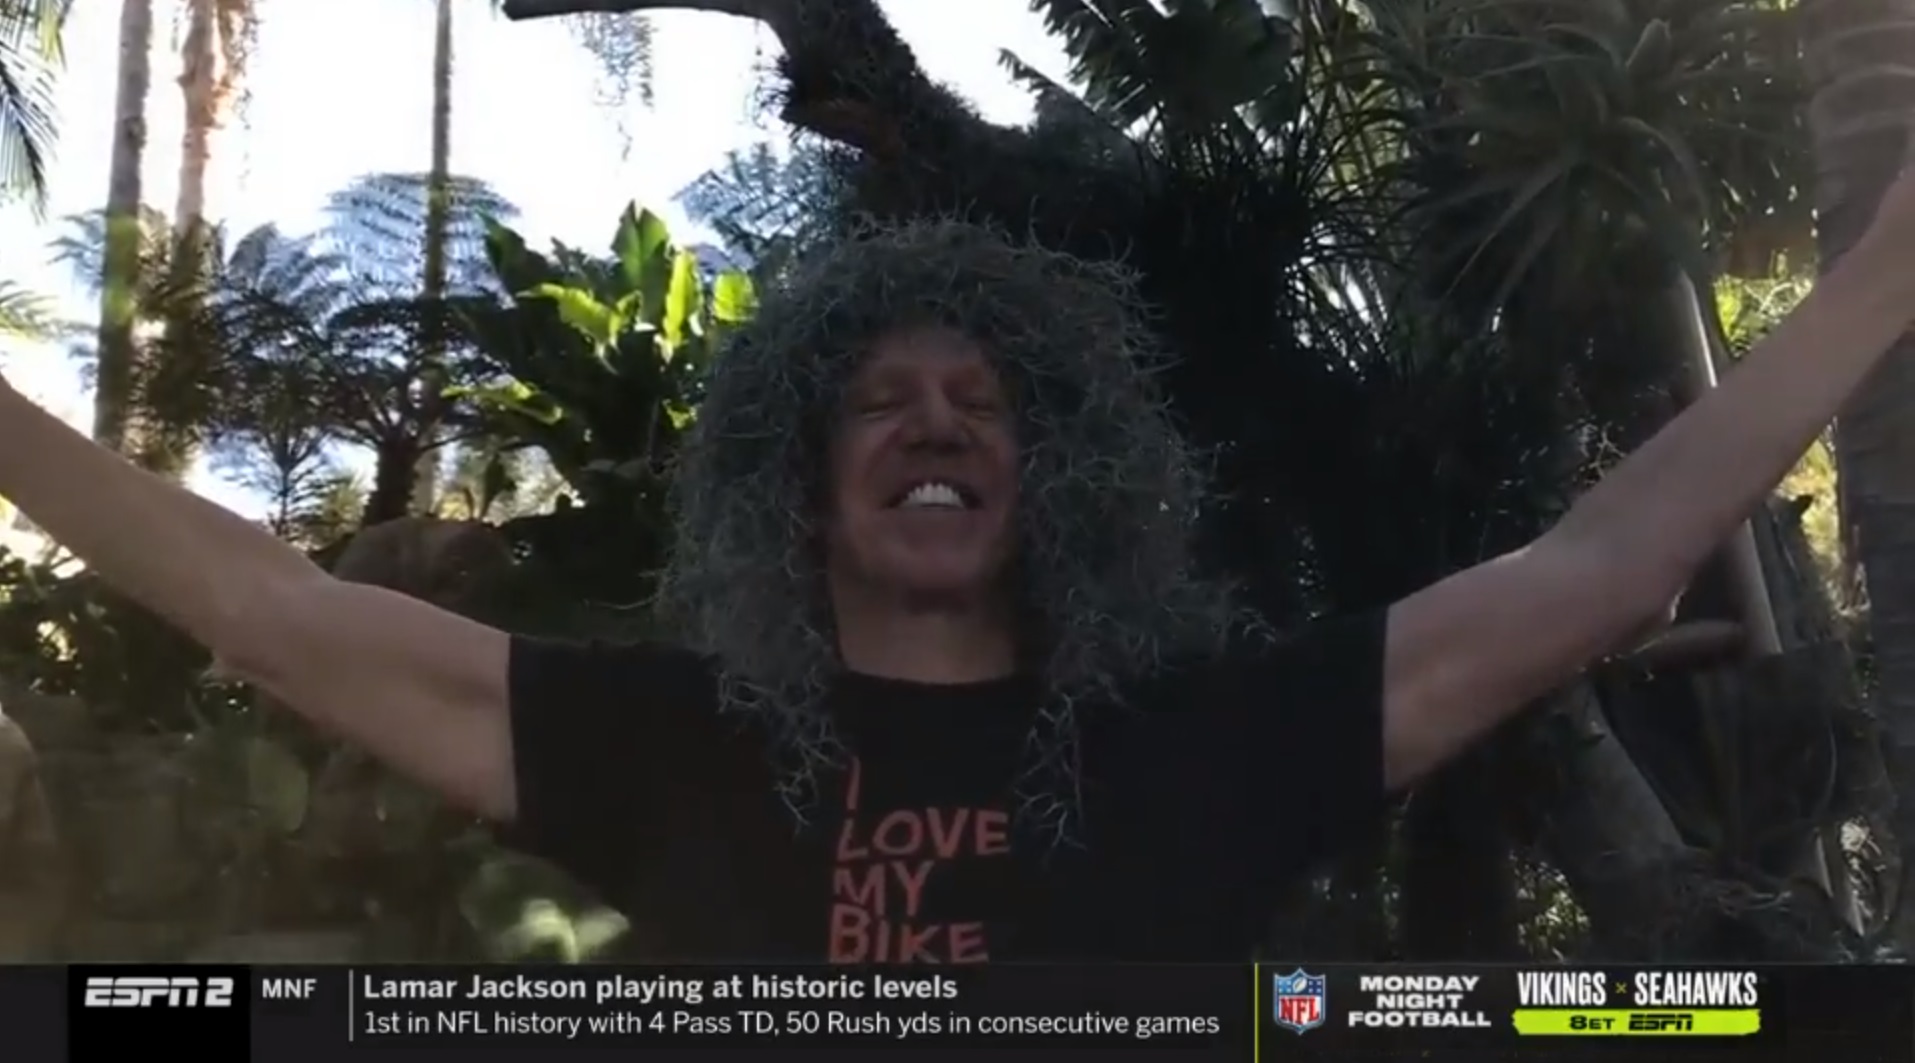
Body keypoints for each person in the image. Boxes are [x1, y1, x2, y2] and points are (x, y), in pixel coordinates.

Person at [3, 177, 1913, 965]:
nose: (937, 425)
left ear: (1051, 476)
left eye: (985, 403)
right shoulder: (657, 743)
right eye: (884, 403)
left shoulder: (1210, 741)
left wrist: (1888, 273)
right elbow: (267, 607)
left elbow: (1607, 566)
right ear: (800, 483)